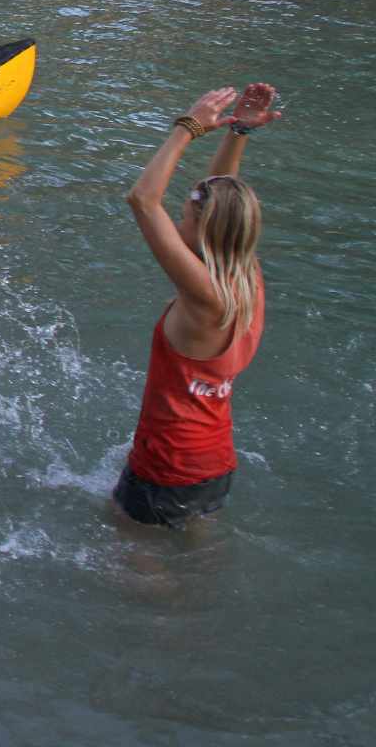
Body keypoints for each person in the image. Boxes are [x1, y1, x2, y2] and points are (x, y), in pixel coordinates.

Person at [115, 83, 281, 529]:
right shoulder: (247, 277)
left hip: (167, 464)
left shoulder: (205, 297)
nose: (177, 219)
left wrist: (188, 128)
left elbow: (142, 200)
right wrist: (237, 132)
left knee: (132, 554)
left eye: (184, 218)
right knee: (195, 548)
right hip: (213, 459)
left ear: (204, 232)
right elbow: (223, 197)